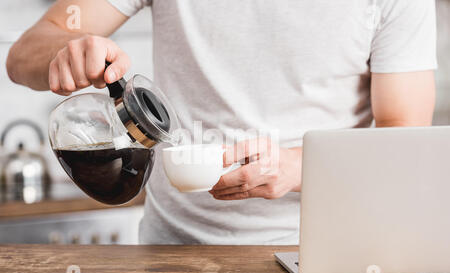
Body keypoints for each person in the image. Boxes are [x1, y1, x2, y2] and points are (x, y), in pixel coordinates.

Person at [6, 0, 436, 244]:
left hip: (320, 257)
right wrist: (67, 50)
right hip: (172, 260)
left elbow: (404, 142)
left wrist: (296, 166)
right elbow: (24, 53)